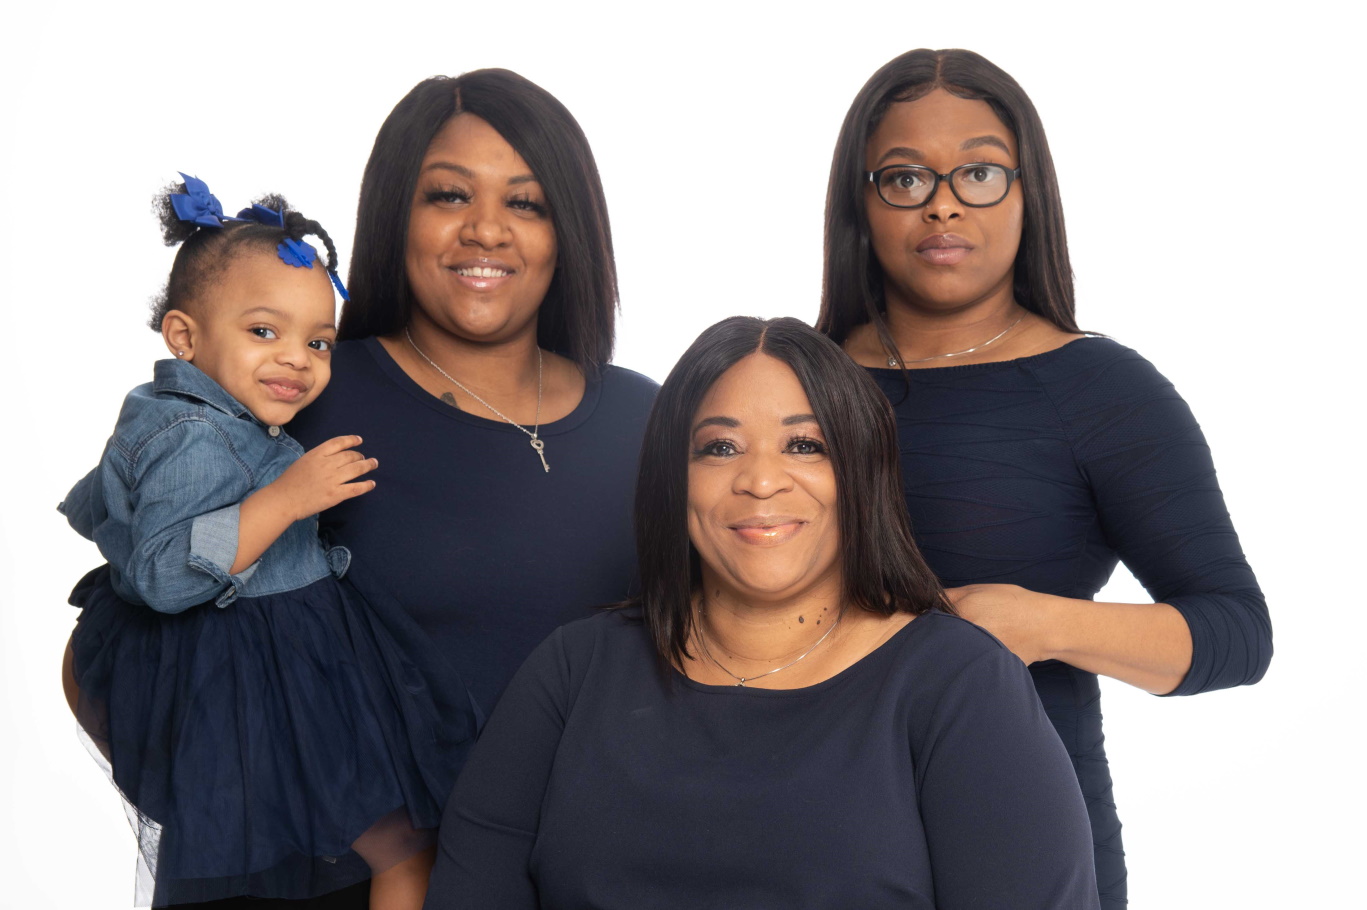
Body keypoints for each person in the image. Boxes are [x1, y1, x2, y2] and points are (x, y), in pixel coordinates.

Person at [422, 316, 1100, 910]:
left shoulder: (959, 685)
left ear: (860, 470)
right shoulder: (573, 671)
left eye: (805, 445)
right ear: (672, 477)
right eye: (719, 447)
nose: (760, 479)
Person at [818, 48, 1273, 907]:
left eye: (980, 172)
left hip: (1025, 839)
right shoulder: (792, 384)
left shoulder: (1100, 389)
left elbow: (1236, 632)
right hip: (805, 831)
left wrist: (1038, 623)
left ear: (1029, 193)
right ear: (860, 202)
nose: (943, 201)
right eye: (904, 177)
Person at [59, 177, 478, 909]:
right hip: (256, 673)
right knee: (399, 843)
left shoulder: (201, 419)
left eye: (318, 342)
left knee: (380, 842)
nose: (297, 359)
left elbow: (106, 502)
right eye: (263, 332)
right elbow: (161, 573)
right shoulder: (187, 435)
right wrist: (287, 499)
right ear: (185, 338)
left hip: (283, 662)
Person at [288, 68, 657, 725]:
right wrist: (355, 818)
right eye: (450, 196)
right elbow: (115, 657)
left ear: (564, 232)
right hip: (374, 830)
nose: (486, 230)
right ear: (395, 213)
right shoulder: (305, 397)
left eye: (525, 203)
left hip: (603, 828)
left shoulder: (649, 421)